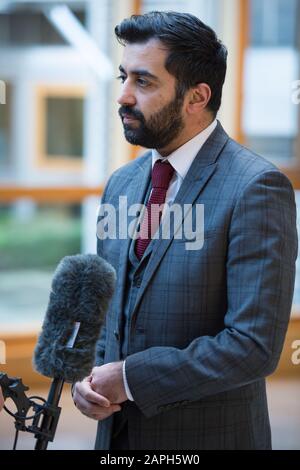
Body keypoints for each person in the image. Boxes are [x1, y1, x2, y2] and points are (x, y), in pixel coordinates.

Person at [73, 11, 298, 450]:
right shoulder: (121, 183)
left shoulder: (257, 187)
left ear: (197, 97)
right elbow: (111, 315)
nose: (122, 96)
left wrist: (131, 378)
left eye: (144, 82)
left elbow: (253, 346)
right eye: (124, 77)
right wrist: (92, 379)